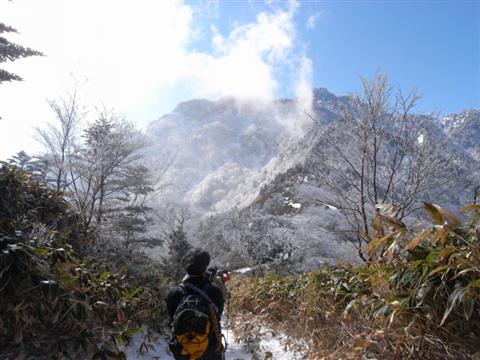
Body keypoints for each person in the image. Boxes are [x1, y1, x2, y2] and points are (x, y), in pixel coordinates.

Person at [167, 249, 225, 360]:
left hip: (183, 349)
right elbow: (218, 316)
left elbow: (172, 318)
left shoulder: (174, 292)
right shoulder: (214, 291)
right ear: (206, 266)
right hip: (209, 348)